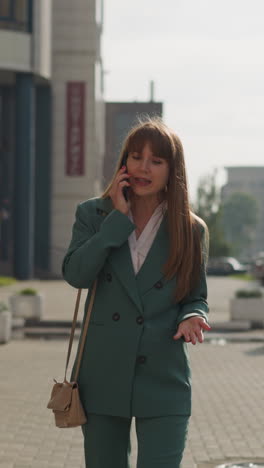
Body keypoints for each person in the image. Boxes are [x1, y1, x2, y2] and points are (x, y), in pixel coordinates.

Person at [62, 117, 210, 468]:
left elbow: (196, 295)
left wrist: (194, 315)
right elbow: (76, 275)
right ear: (123, 162)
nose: (143, 168)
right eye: (135, 157)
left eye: (156, 161)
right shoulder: (92, 214)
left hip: (163, 376)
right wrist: (117, 220)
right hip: (102, 374)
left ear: (172, 170)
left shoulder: (191, 229)